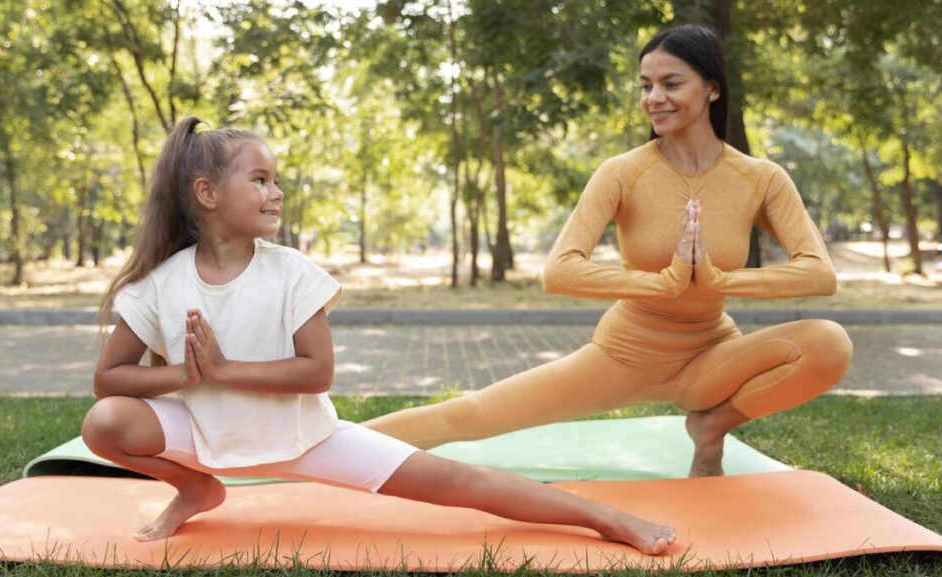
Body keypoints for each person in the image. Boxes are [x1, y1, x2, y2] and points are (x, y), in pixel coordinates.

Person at [80, 116, 676, 554]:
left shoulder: (292, 271)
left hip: (303, 436)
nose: (276, 192)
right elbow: (111, 380)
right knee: (104, 424)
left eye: (276, 179)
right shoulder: (161, 283)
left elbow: (317, 373)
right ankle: (196, 490)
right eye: (259, 179)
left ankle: (603, 518)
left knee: (457, 482)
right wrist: (186, 376)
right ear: (207, 194)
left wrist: (225, 369)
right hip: (205, 432)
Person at [364, 24, 853, 478]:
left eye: (671, 84)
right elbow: (560, 271)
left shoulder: (760, 178)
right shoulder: (623, 171)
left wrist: (718, 280)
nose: (654, 98)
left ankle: (710, 428)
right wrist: (663, 281)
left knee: (828, 343)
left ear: (712, 88)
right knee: (466, 416)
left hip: (710, 357)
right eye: (646, 86)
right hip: (623, 354)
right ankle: (313, 453)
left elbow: (818, 274)